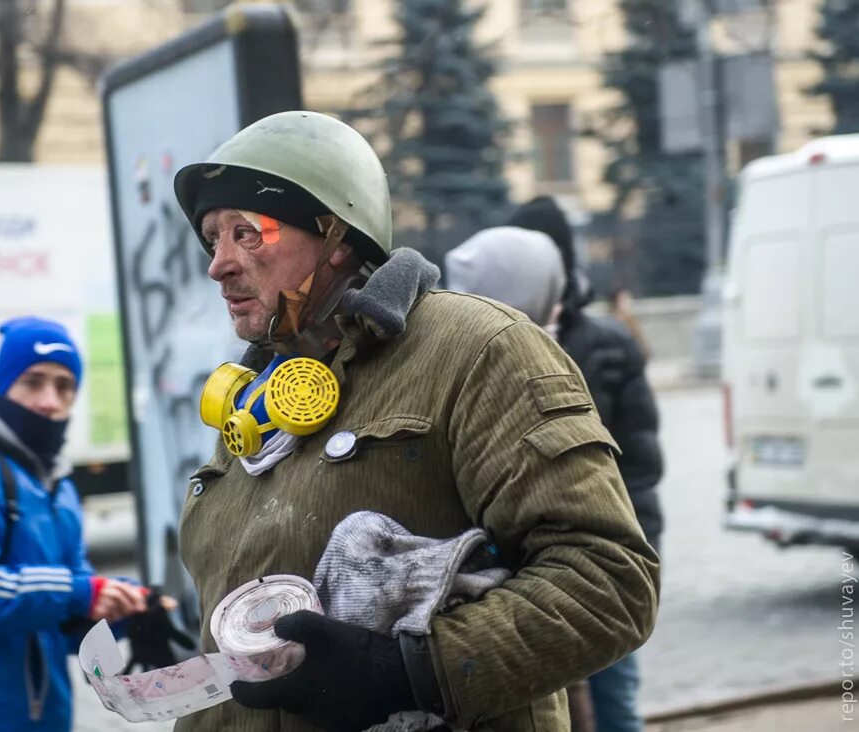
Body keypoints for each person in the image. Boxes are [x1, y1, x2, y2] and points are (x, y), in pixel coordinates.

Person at [170, 110, 660, 732]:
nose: (220, 263)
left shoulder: (478, 350)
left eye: (248, 233)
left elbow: (610, 582)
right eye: (214, 238)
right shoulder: (254, 401)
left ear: (336, 236)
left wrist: (408, 672)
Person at [0, 317, 151, 731]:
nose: (49, 401)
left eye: (64, 386)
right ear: (2, 386)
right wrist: (79, 593)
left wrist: (118, 609)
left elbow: (63, 620)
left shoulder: (58, 485)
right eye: (33, 382)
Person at [507, 197, 665, 732]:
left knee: (612, 695)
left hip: (603, 551)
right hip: (547, 560)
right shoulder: (499, 346)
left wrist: (634, 550)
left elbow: (639, 462)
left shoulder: (606, 344)